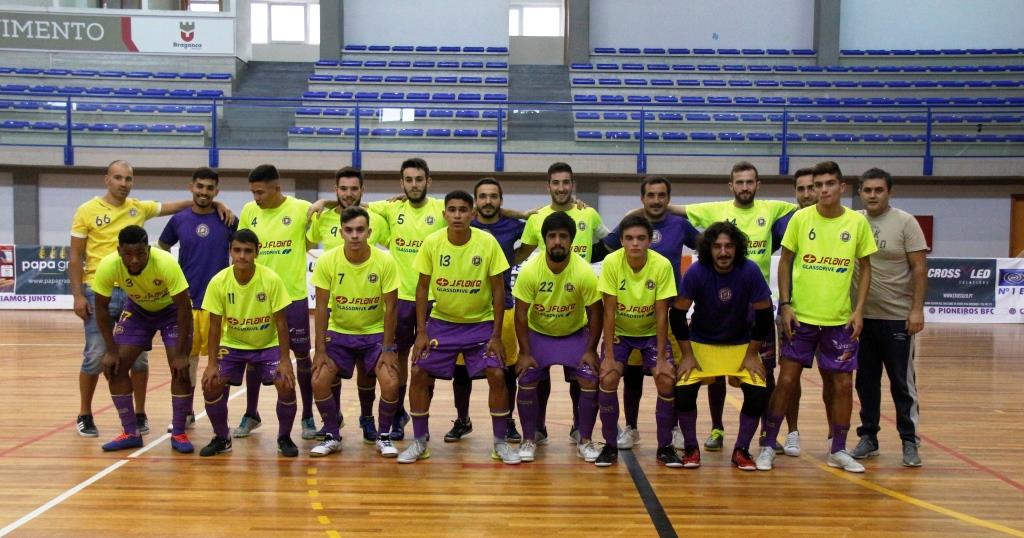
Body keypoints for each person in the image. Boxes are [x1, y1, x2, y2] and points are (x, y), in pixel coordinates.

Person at [70, 159, 229, 438]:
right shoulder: (86, 210)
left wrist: (214, 204)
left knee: (140, 361)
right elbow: (75, 256)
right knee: (98, 355)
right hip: (100, 288)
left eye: (128, 179)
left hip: (140, 293)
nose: (123, 183)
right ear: (107, 179)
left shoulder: (139, 208)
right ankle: (85, 413)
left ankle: (140, 415)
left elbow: (180, 206)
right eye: (118, 178)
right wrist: (77, 295)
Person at [756, 161, 877, 474]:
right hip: (801, 318)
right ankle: (769, 443)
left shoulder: (857, 223)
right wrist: (785, 304)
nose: (823, 190)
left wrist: (859, 309)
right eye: (818, 184)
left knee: (842, 385)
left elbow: (866, 268)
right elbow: (784, 264)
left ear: (842, 187)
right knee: (785, 381)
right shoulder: (800, 219)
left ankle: (838, 448)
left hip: (839, 321)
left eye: (829, 184)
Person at [666, 162, 795, 453]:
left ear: (758, 185)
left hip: (752, 309)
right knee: (711, 378)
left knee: (765, 375)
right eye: (740, 182)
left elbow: (807, 208)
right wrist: (637, 211)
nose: (745, 187)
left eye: (750, 182)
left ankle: (763, 436)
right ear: (731, 185)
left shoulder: (774, 208)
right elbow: (677, 210)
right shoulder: (714, 217)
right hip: (712, 320)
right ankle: (716, 428)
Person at [398, 190, 520, 465]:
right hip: (442, 323)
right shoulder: (432, 243)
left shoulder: (487, 243)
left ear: (472, 214)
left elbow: (499, 292)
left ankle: (500, 444)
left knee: (497, 374)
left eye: (463, 210)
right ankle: (419, 441)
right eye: (451, 210)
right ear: (444, 215)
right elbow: (421, 288)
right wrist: (421, 332)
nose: (457, 215)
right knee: (417, 370)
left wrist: (496, 335)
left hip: (480, 324)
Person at [603, 176, 698, 450]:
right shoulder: (627, 224)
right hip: (629, 317)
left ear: (669, 198)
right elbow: (605, 246)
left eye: (661, 195)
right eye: (651, 195)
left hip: (667, 313)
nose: (656, 200)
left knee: (671, 376)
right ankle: (631, 428)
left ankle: (674, 429)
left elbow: (707, 246)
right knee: (631, 376)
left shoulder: (680, 224)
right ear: (642, 198)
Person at [518, 162, 609, 443]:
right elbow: (522, 253)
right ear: (548, 186)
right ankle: (536, 428)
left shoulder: (588, 213)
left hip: (576, 305)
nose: (561, 188)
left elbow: (610, 243)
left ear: (573, 185)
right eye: (556, 183)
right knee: (536, 376)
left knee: (580, 375)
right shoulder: (536, 218)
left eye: (566, 182)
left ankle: (579, 427)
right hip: (544, 307)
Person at [673, 222, 773, 471]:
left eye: (729, 246)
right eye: (717, 246)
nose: (723, 252)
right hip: (701, 343)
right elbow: (677, 315)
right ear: (709, 249)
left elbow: (764, 314)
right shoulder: (697, 272)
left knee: (759, 392)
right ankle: (691, 448)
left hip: (740, 345)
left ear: (737, 248)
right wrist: (686, 354)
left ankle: (741, 450)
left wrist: (752, 354)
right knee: (683, 391)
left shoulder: (749, 270)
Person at [849, 168, 928, 468]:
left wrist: (916, 309)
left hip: (897, 317)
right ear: (860, 192)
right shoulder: (853, 221)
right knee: (865, 383)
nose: (872, 195)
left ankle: (909, 441)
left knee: (901, 384)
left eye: (878, 190)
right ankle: (868, 438)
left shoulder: (906, 222)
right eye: (867, 190)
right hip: (861, 319)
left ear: (889, 192)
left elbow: (920, 269)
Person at [91, 226, 193, 453]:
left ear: (148, 249)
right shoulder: (108, 266)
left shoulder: (165, 263)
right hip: (138, 312)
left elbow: (184, 307)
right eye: (128, 254)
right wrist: (110, 350)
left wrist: (181, 354)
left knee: (180, 369)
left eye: (140, 253)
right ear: (119, 251)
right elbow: (100, 307)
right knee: (115, 368)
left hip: (172, 313)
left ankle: (179, 432)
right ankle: (131, 432)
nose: (135, 260)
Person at [306, 166, 390, 443]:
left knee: (370, 375)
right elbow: (304, 244)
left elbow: (396, 241)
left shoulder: (376, 217)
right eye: (343, 189)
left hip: (370, 309)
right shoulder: (321, 216)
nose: (349, 193)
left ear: (362, 191)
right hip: (339, 311)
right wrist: (322, 203)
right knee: (330, 373)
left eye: (354, 189)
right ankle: (334, 419)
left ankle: (369, 418)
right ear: (336, 190)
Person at [585, 215, 677, 467]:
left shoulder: (662, 265)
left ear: (649, 241)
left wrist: (660, 358)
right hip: (621, 333)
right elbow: (609, 310)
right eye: (629, 238)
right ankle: (610, 446)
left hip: (649, 332)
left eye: (640, 238)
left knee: (666, 380)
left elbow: (661, 313)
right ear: (622, 241)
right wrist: (611, 358)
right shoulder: (612, 262)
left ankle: (665, 447)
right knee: (608, 377)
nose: (635, 243)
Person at [199, 229, 299, 457]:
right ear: (230, 252)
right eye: (237, 250)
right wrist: (211, 363)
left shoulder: (271, 279)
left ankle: (284, 437)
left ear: (257, 252)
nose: (242, 256)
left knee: (286, 383)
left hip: (267, 344)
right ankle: (222, 438)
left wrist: (285, 360)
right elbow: (214, 326)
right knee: (211, 384)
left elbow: (282, 323)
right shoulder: (219, 282)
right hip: (232, 344)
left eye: (247, 251)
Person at [512, 212, 603, 462]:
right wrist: (525, 352)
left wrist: (591, 350)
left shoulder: (583, 271)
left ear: (572, 240)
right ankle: (530, 437)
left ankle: (584, 438)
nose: (557, 241)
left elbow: (596, 312)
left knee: (588, 377)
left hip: (574, 334)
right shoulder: (530, 270)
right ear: (544, 240)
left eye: (563, 236)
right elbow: (520, 314)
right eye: (552, 236)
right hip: (539, 334)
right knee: (528, 376)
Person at [367, 158, 447, 441]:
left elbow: (483, 213)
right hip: (401, 298)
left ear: (429, 181)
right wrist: (322, 203)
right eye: (409, 180)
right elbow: (354, 204)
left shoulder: (441, 208)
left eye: (419, 179)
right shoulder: (391, 208)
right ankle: (398, 413)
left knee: (426, 360)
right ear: (401, 184)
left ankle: (419, 412)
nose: (414, 185)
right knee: (398, 357)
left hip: (435, 299)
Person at [236, 164, 315, 440]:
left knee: (302, 356)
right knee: (253, 357)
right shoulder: (248, 212)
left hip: (292, 297)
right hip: (258, 299)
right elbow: (241, 249)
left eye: (260, 192)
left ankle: (308, 417)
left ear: (277, 188)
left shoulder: (301, 208)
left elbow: (324, 226)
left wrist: (323, 203)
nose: (256, 197)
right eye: (253, 192)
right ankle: (251, 413)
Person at [446, 178, 527, 444]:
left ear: (501, 201)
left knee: (506, 371)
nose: (488, 201)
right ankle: (462, 419)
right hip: (467, 312)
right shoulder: (465, 224)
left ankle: (508, 421)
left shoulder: (514, 227)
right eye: (482, 196)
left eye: (493, 196)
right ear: (474, 202)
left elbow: (536, 230)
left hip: (503, 310)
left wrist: (518, 216)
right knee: (461, 372)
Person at [158, 167, 237, 433]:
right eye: (200, 186)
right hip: (187, 305)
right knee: (186, 364)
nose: (204, 192)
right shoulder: (179, 220)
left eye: (209, 188)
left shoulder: (228, 220)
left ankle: (220, 420)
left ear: (217, 191)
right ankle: (186, 413)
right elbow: (163, 246)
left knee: (222, 364)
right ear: (191, 186)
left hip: (220, 306)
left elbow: (243, 250)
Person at [770, 168, 819, 457]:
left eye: (811, 187)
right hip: (794, 312)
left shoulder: (844, 221)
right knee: (789, 378)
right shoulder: (785, 223)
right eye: (800, 189)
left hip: (834, 314)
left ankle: (836, 440)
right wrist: (785, 303)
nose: (807, 194)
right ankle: (792, 432)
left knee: (836, 378)